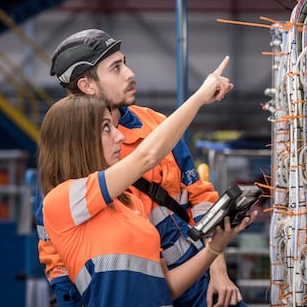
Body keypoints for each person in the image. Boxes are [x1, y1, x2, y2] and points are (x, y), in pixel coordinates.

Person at [37, 28, 247, 307]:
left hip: (194, 279)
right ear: (87, 85)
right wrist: (199, 97)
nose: (130, 74)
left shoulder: (156, 126)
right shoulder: (66, 189)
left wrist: (216, 263)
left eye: (125, 63)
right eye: (116, 68)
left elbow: (199, 197)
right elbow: (58, 259)